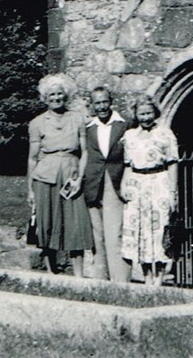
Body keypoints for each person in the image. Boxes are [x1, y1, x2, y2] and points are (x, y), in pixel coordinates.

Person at [27, 73, 93, 277]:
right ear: (45, 98)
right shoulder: (37, 123)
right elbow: (32, 158)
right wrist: (29, 189)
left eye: (60, 94)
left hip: (71, 174)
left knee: (75, 223)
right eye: (51, 95)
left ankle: (79, 275)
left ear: (66, 96)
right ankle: (51, 272)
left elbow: (85, 152)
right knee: (46, 223)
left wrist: (79, 178)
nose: (56, 98)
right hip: (45, 176)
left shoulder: (78, 118)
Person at [121, 94, 178, 286]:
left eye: (149, 113)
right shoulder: (130, 136)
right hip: (137, 183)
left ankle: (159, 278)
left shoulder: (165, 134)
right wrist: (124, 185)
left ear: (155, 113)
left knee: (159, 229)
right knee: (139, 230)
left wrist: (172, 192)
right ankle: (146, 278)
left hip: (159, 182)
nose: (145, 118)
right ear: (136, 115)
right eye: (141, 114)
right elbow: (128, 164)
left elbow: (172, 163)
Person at [84, 87, 130, 282]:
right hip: (93, 183)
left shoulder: (124, 124)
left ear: (110, 102)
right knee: (96, 235)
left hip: (115, 181)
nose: (101, 107)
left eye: (104, 102)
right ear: (92, 105)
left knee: (114, 232)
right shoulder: (88, 128)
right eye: (97, 103)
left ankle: (120, 282)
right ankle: (99, 280)